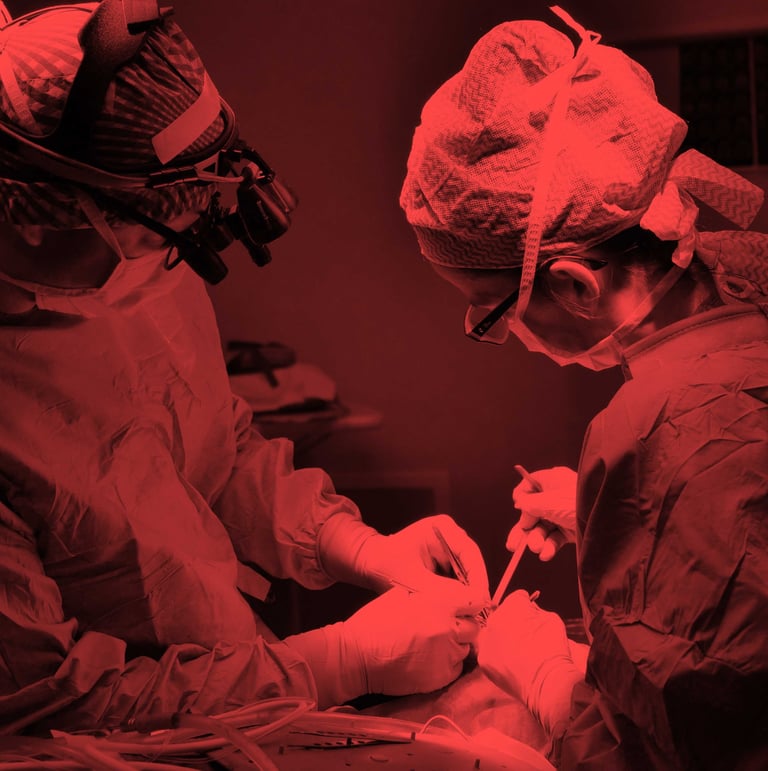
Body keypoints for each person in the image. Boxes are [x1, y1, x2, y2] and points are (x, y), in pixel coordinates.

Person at [0, 0, 490, 735]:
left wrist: (355, 545)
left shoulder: (146, 271)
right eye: (155, 236)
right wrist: (338, 662)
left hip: (237, 700)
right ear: (39, 220)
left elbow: (215, 452)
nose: (169, 265)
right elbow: (51, 699)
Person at [400, 6, 768, 770]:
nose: (501, 334)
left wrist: (543, 675)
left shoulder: (656, 430)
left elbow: (676, 750)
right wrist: (611, 513)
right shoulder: (745, 294)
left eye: (491, 311)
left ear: (573, 285)